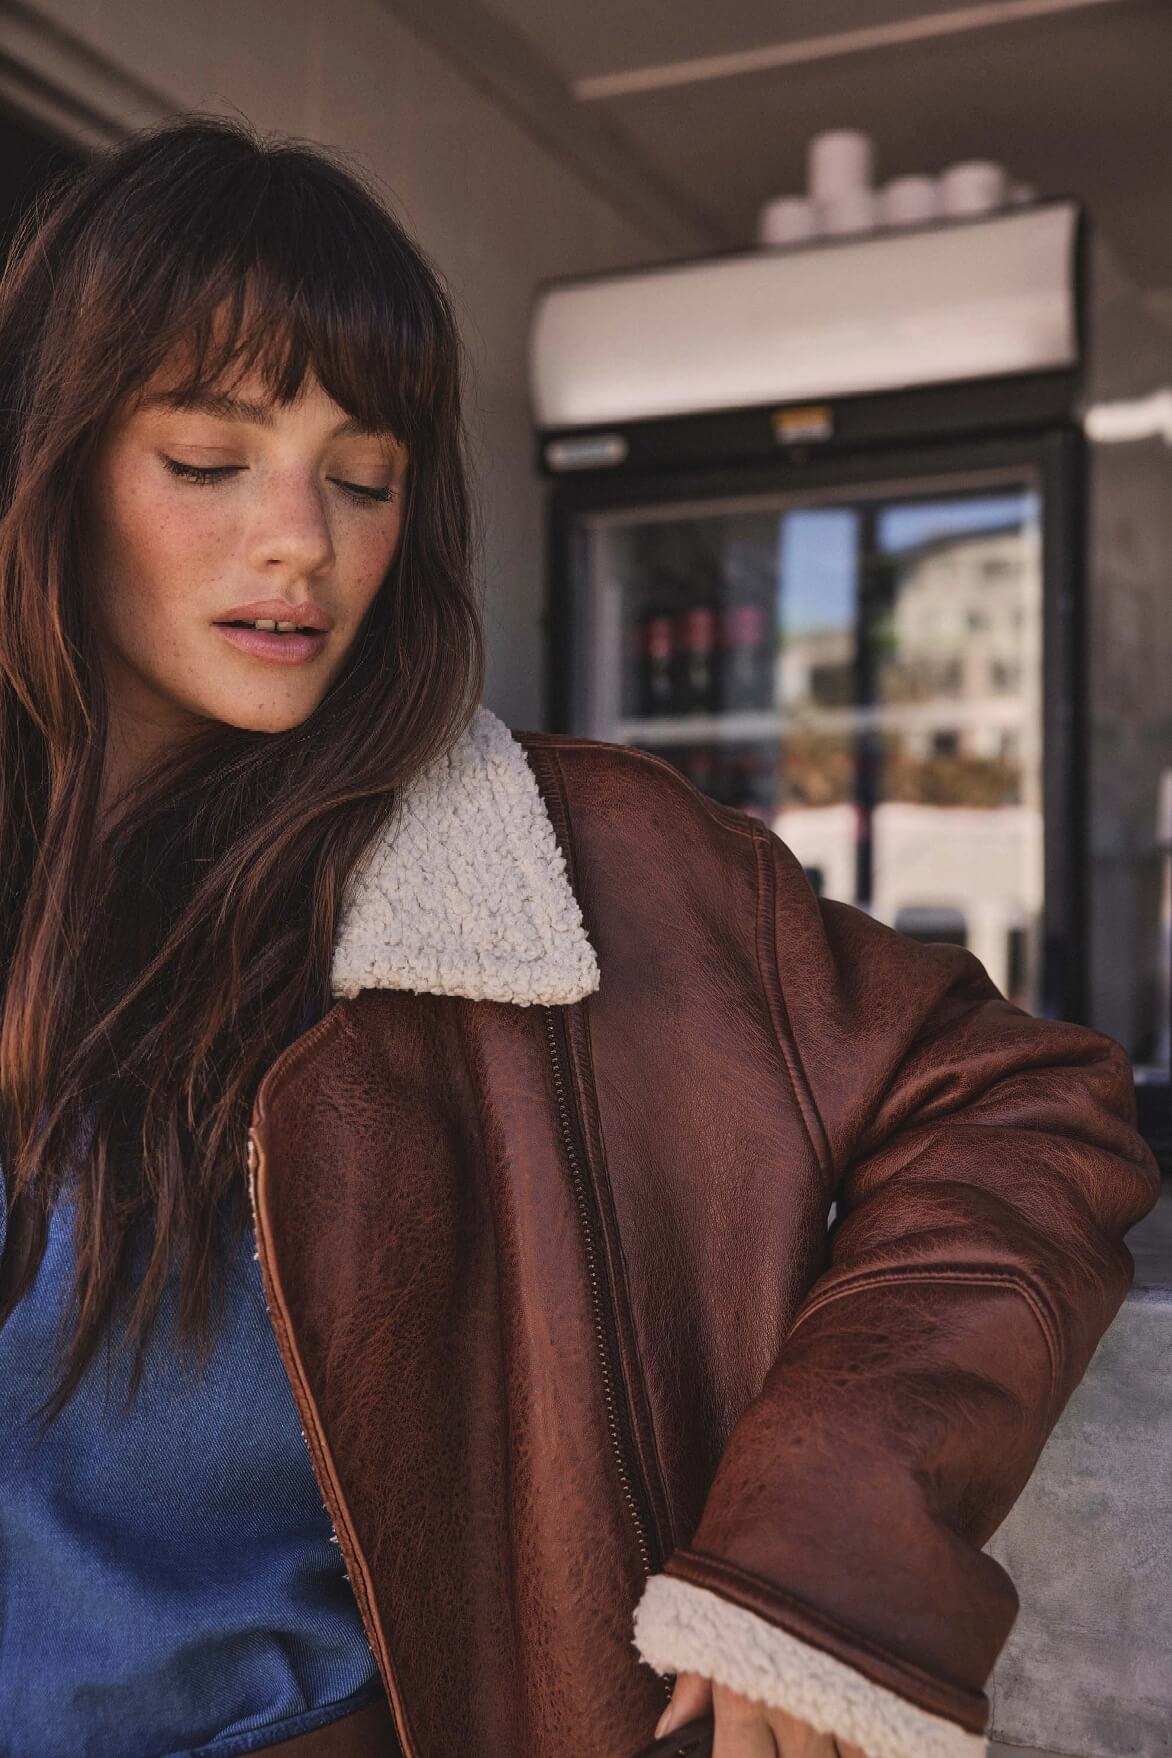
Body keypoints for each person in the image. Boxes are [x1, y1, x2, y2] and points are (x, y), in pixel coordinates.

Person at [0, 112, 1158, 1758]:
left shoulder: (569, 860)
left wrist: (823, 1550)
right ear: (47, 464)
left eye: (364, 477)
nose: (303, 539)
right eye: (208, 461)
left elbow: (1031, 1106)